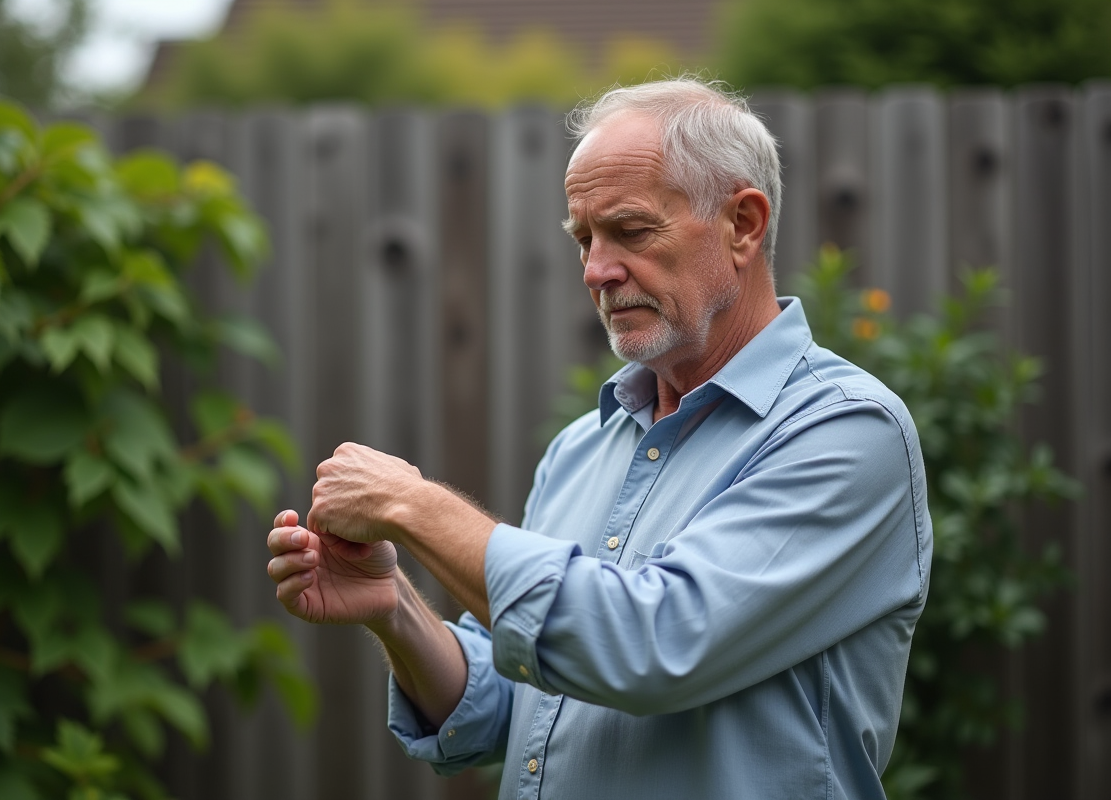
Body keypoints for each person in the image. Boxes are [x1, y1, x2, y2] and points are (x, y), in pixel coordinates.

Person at [267, 77, 931, 799]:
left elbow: (651, 645)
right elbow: (515, 708)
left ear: (744, 224)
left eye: (632, 231)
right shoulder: (584, 446)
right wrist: (395, 605)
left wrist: (414, 506)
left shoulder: (845, 431)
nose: (596, 270)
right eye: (584, 238)